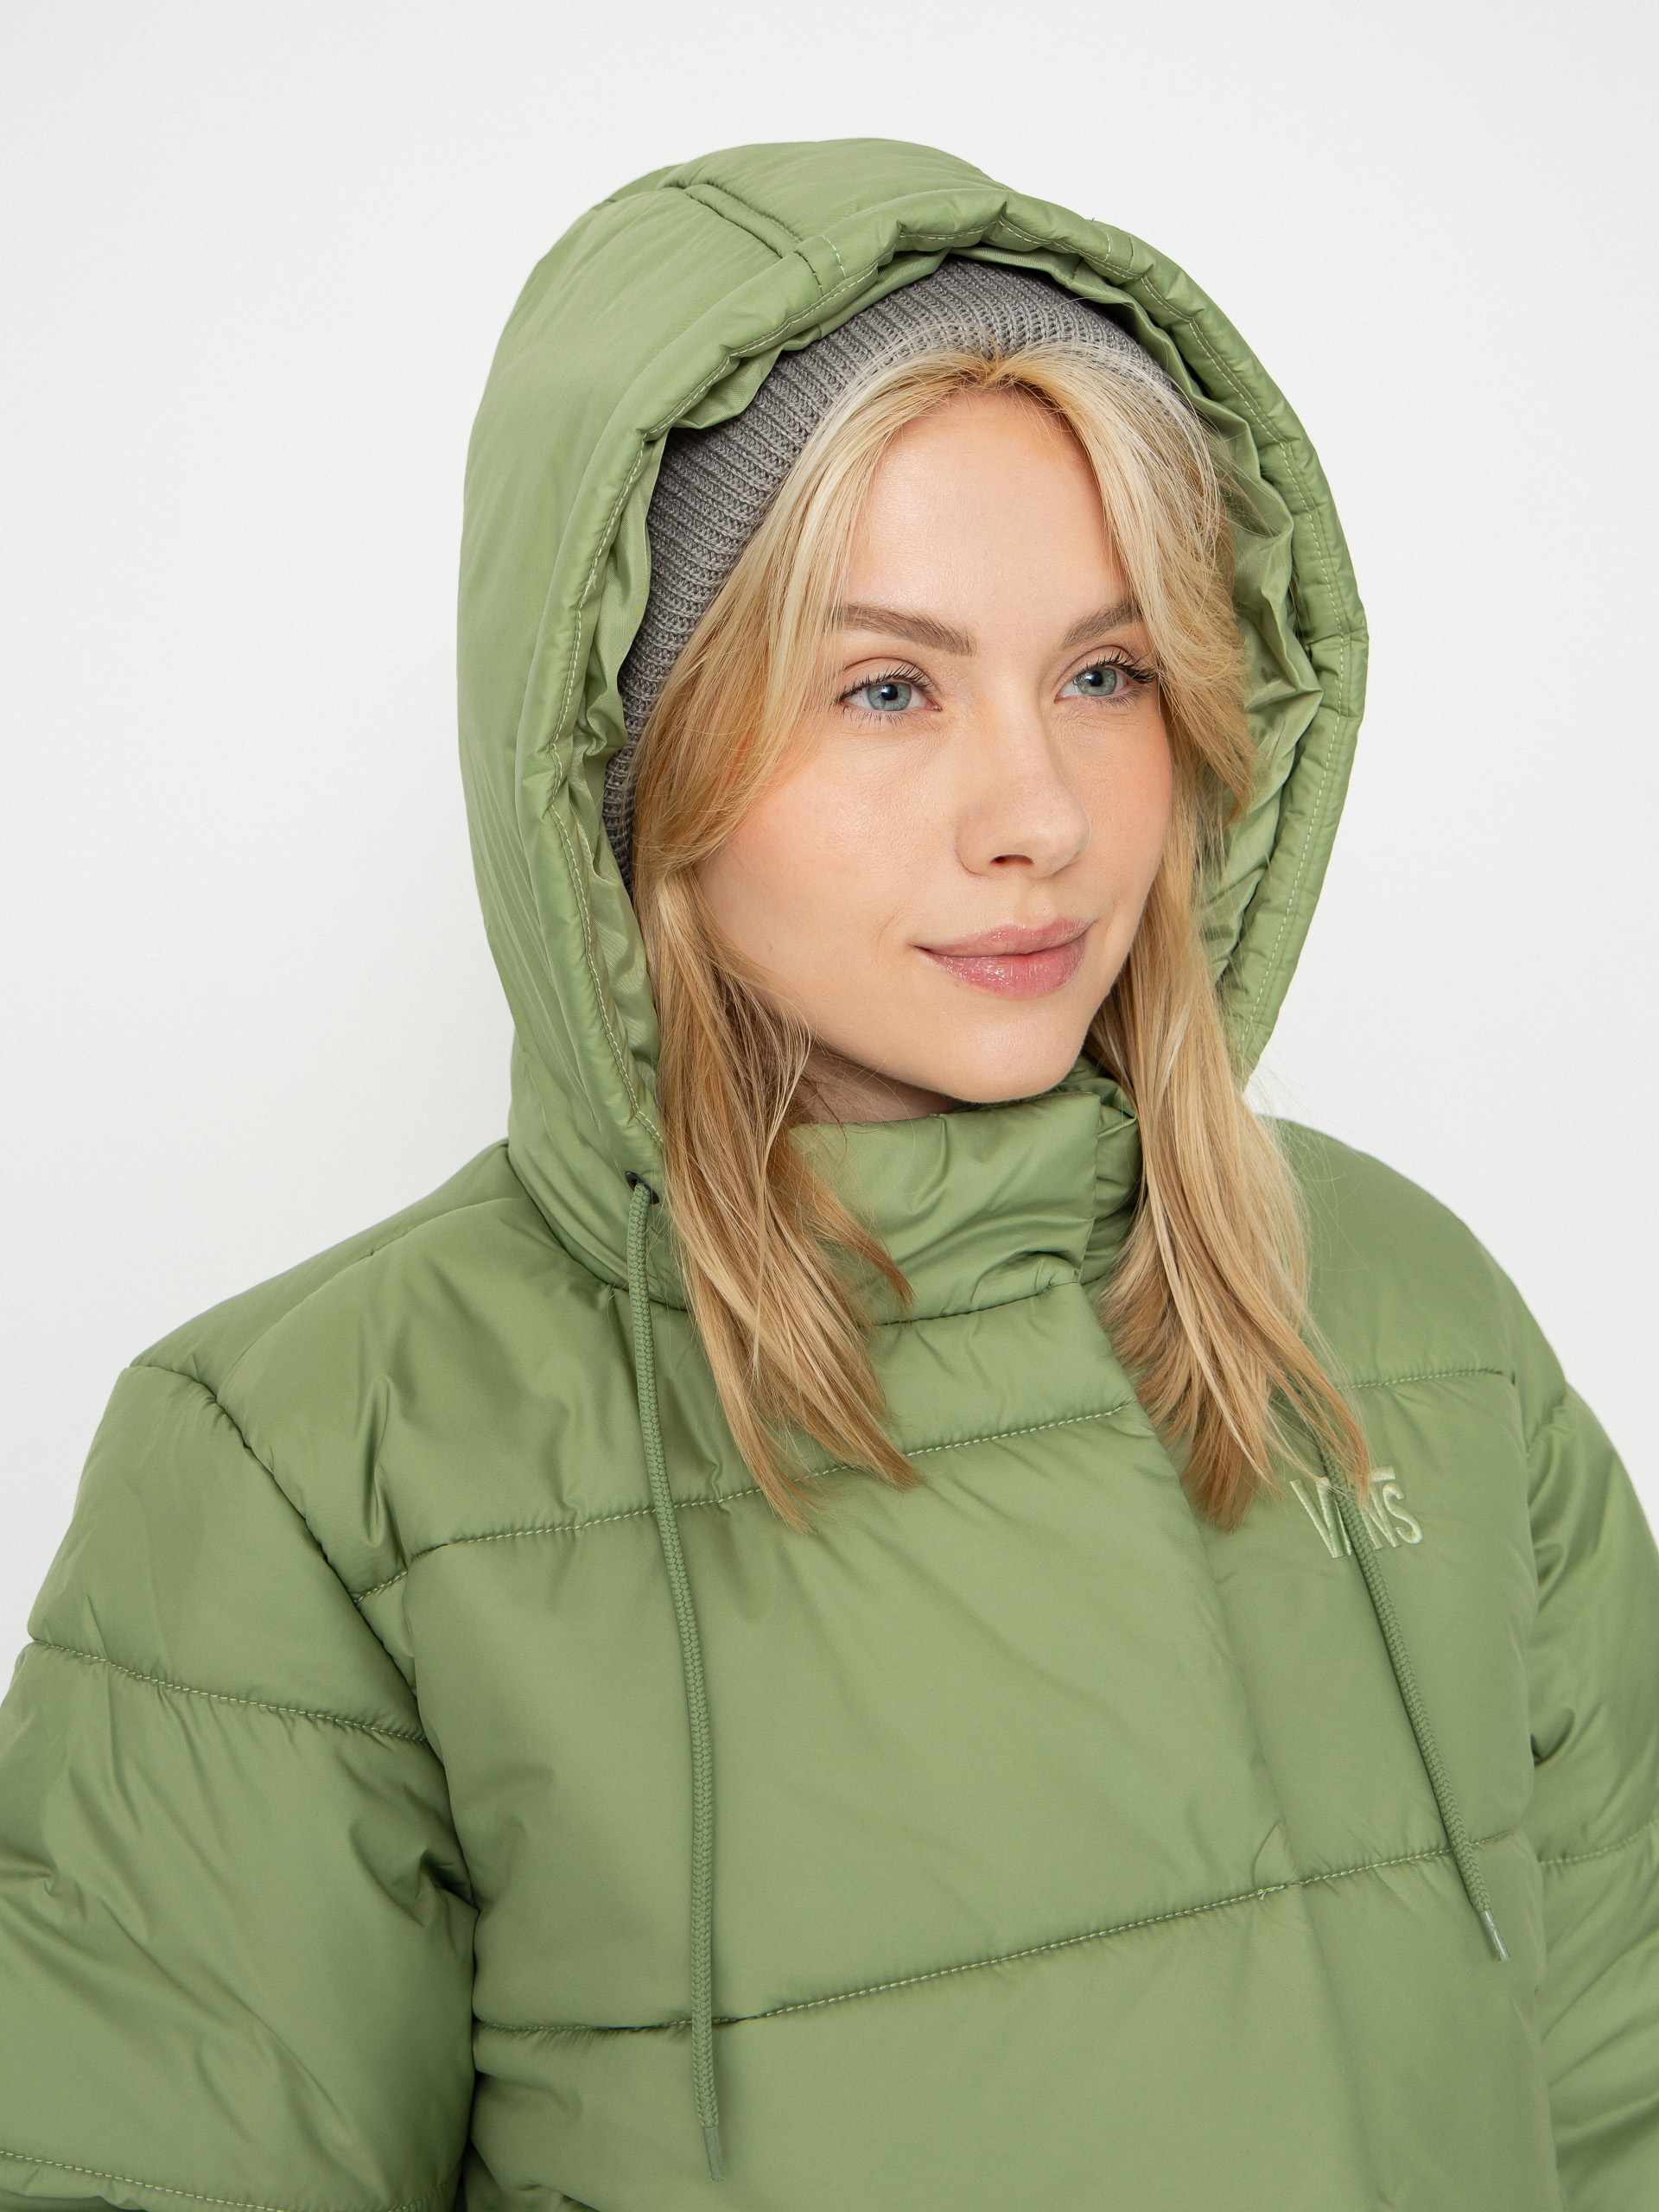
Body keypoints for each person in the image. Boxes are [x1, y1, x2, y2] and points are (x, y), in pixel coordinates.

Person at [0, 136, 1653, 2212]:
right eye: (885, 687)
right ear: (632, 755)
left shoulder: (1404, 1312)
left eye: (1106, 672)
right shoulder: (321, 1462)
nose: (1039, 811)